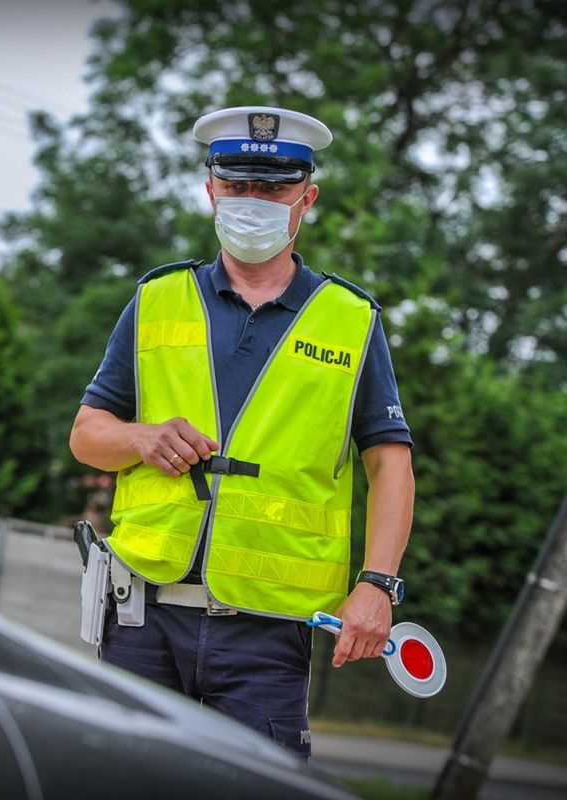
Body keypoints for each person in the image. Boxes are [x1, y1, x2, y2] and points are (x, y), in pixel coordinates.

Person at [68, 106, 414, 757]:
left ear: (306, 198)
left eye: (273, 187)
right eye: (237, 185)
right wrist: (142, 439)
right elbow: (87, 435)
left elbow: (389, 463)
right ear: (210, 189)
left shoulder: (350, 318)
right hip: (142, 614)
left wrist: (378, 584)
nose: (252, 201)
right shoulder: (156, 300)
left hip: (268, 637)